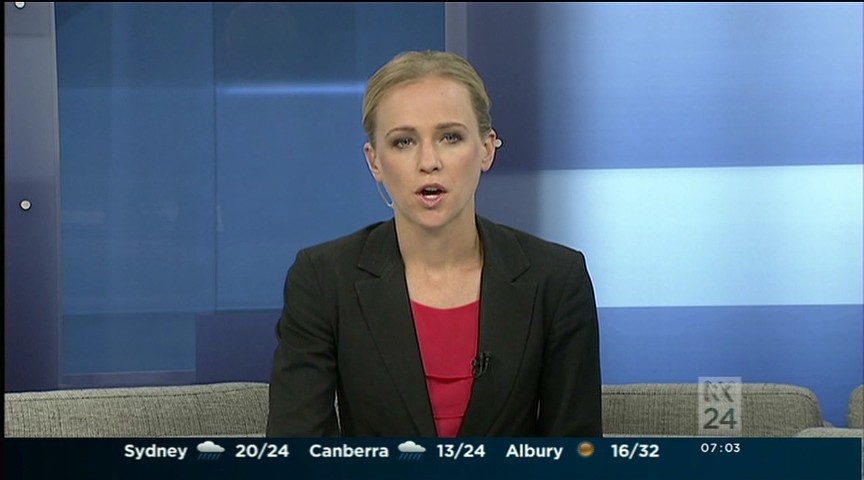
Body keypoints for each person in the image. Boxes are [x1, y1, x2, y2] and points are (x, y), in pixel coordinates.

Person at [267, 50, 601, 437]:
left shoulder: (556, 280)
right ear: (374, 161)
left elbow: (577, 453)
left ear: (486, 149)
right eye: (404, 142)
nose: (429, 161)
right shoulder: (323, 280)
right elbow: (298, 452)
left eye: (450, 137)